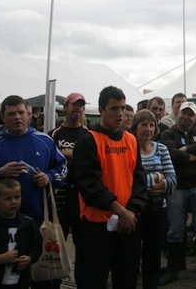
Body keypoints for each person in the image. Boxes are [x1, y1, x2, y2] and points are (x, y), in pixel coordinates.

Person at [73, 86, 148, 289]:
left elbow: (139, 179)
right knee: (92, 279)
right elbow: (89, 185)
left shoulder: (131, 139)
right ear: (101, 110)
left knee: (127, 278)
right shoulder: (88, 141)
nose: (120, 114)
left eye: (123, 108)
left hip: (128, 224)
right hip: (97, 226)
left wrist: (131, 211)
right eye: (114, 108)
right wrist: (119, 210)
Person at [0, 95, 67, 223]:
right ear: (3, 117)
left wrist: (48, 177)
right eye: (11, 114)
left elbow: (62, 168)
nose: (17, 117)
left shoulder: (45, 141)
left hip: (37, 220)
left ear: (28, 115)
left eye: (21, 113)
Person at [159, 101, 196, 287]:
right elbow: (171, 155)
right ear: (178, 114)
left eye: (190, 115)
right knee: (175, 229)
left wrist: (185, 150)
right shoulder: (168, 133)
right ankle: (173, 269)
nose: (186, 117)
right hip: (177, 186)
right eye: (184, 114)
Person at [132, 109, 177, 289]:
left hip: (158, 210)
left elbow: (173, 181)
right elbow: (130, 182)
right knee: (132, 255)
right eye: (143, 124)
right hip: (136, 210)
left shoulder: (161, 149)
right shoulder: (130, 149)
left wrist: (145, 184)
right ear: (135, 127)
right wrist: (158, 177)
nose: (148, 129)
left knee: (153, 255)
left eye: (151, 125)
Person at [0, 178, 41, 289]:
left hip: (20, 281)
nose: (13, 202)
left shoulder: (28, 223)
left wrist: (30, 258)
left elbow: (37, 246)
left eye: (17, 197)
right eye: (8, 199)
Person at [48, 92, 89, 250]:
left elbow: (91, 162)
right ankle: (55, 275)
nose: (78, 109)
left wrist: (70, 154)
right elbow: (50, 161)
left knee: (82, 241)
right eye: (74, 105)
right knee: (56, 238)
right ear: (65, 107)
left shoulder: (88, 135)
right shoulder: (54, 134)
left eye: (81, 105)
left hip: (81, 193)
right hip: (60, 192)